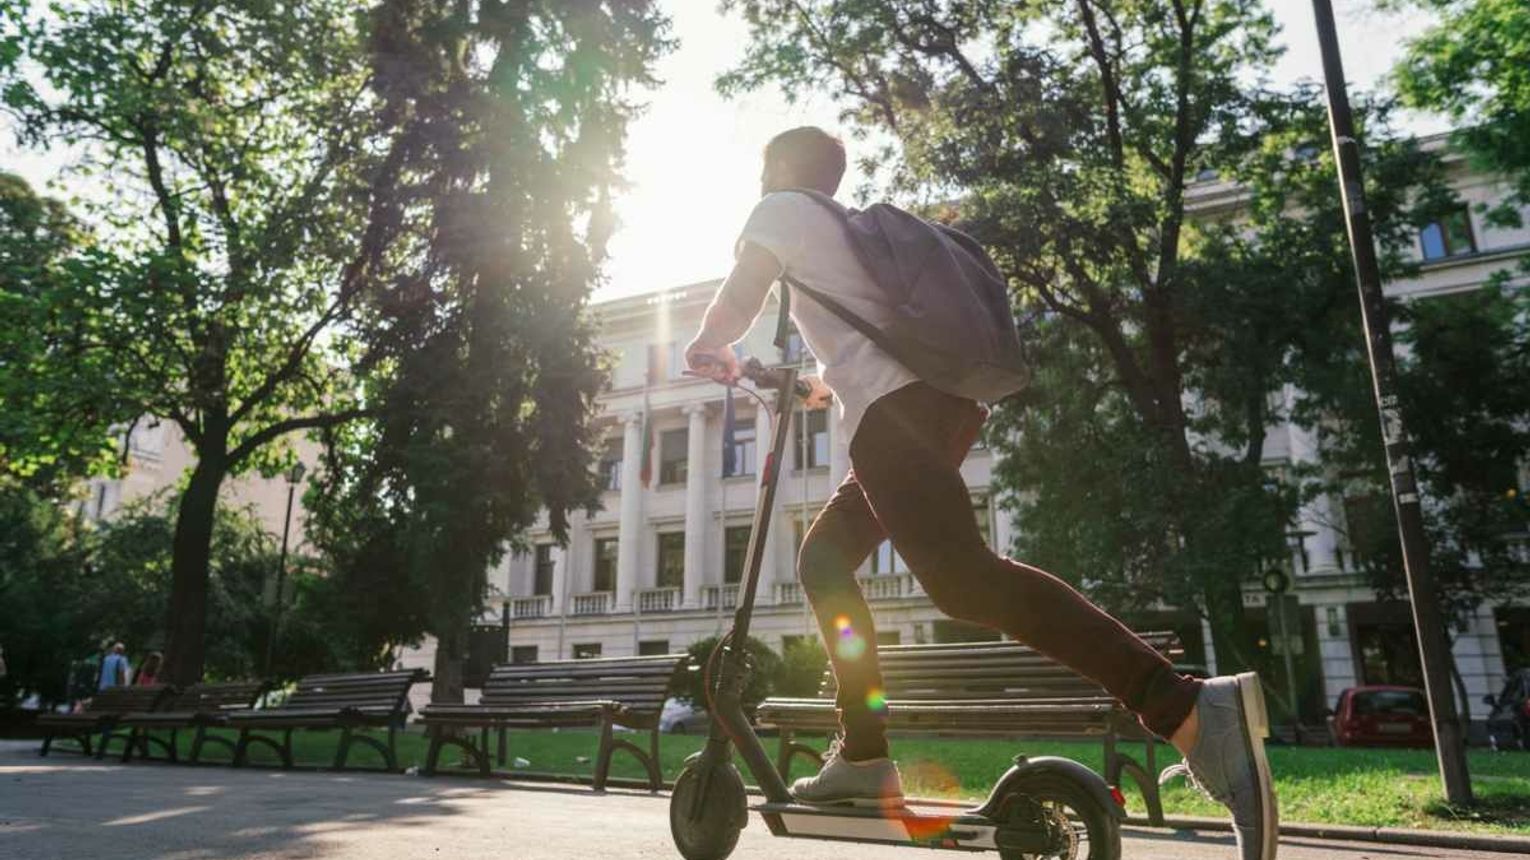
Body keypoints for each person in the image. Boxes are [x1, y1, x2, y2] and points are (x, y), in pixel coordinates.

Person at [684, 126, 1278, 860]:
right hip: (937, 410)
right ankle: (864, 757)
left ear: (777, 170)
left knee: (964, 583)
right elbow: (859, 343)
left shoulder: (779, 209)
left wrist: (710, 341)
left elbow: (738, 296)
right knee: (826, 561)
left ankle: (1182, 704)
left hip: (891, 421)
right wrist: (808, 384)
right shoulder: (840, 232)